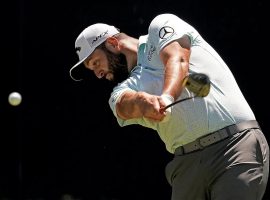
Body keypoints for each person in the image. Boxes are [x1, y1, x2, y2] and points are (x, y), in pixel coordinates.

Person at [69, 13, 269, 200]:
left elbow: (178, 58)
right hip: (185, 165)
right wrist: (144, 104)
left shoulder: (161, 25)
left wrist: (166, 98)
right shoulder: (120, 90)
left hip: (234, 146)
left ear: (113, 43)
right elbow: (125, 106)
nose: (97, 74)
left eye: (96, 63)